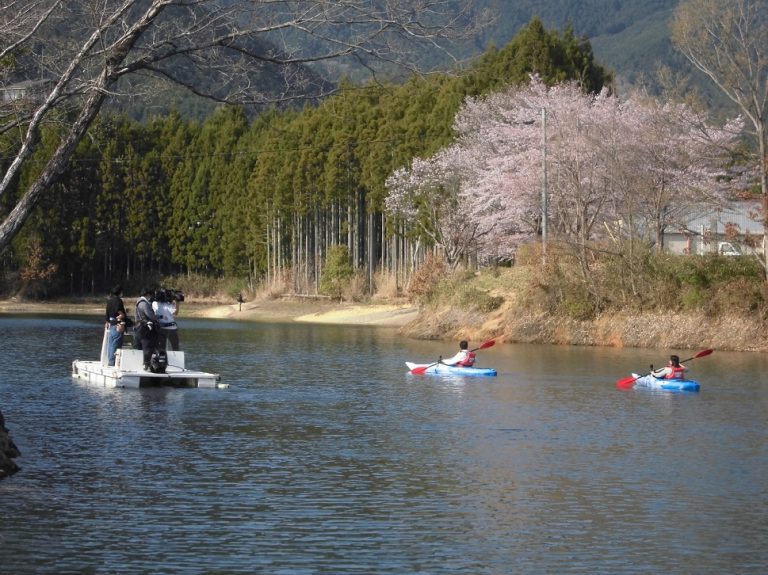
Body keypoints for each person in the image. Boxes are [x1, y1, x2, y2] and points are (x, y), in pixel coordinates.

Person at [134, 286, 160, 371]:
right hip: (144, 328)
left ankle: (141, 364)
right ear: (147, 294)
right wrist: (159, 317)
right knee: (147, 346)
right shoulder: (143, 303)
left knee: (139, 346)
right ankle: (147, 365)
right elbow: (150, 315)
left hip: (139, 327)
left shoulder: (139, 301)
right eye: (150, 295)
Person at [105, 284, 127, 366]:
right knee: (116, 343)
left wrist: (107, 321)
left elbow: (107, 314)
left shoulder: (109, 300)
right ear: (120, 292)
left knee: (111, 343)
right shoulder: (118, 301)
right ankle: (113, 362)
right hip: (118, 325)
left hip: (112, 324)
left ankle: (111, 360)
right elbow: (119, 311)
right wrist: (122, 315)